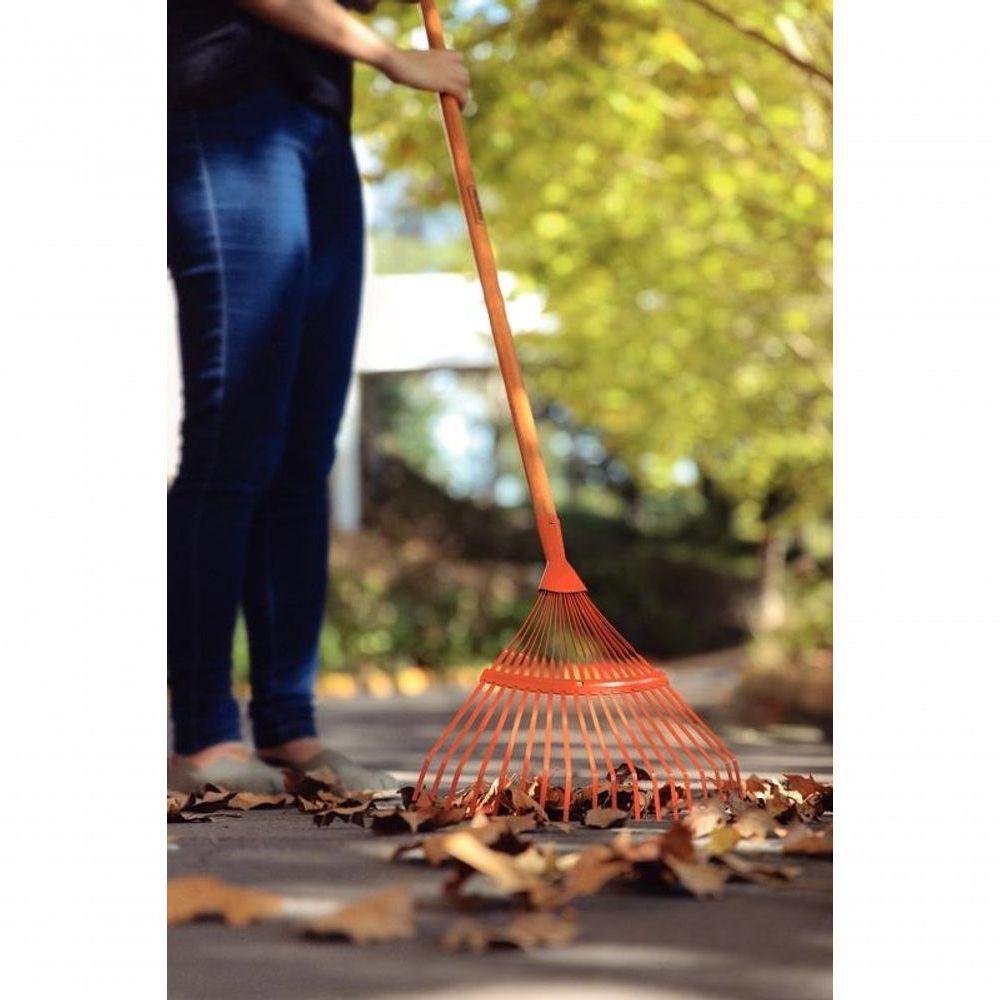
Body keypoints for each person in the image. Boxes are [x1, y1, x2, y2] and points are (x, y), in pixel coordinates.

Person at [167, 0, 469, 793]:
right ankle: (202, 734)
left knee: (306, 451)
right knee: (236, 436)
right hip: (225, 112)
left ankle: (289, 729)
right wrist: (390, 55)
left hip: (316, 124)